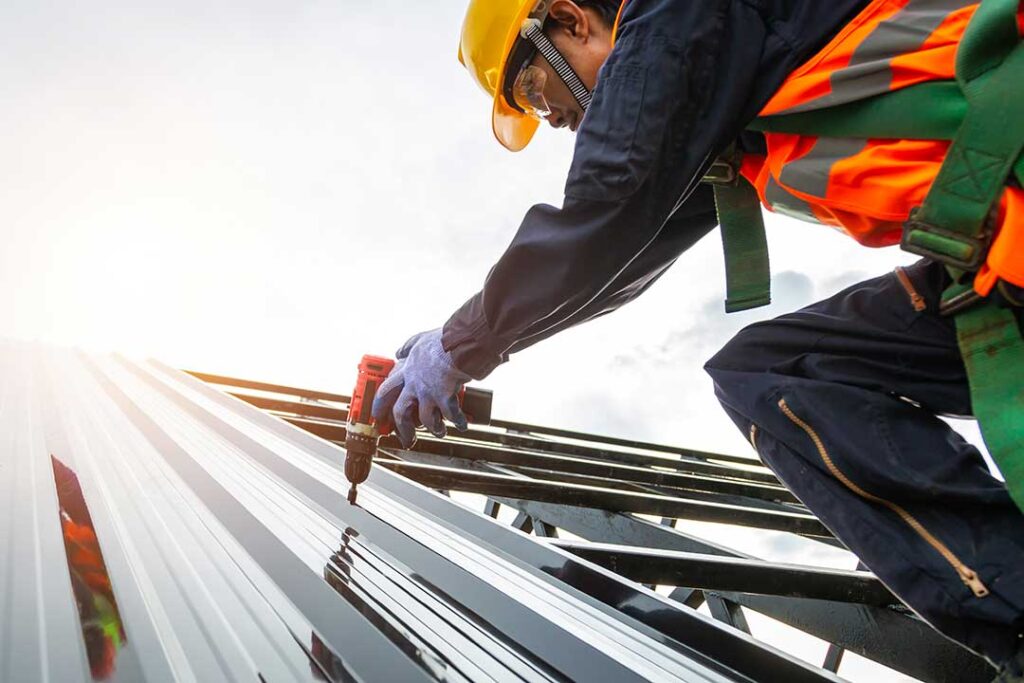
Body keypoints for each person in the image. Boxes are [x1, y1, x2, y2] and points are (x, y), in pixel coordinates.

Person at [371, 0, 1024, 675]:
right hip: (1005, 254)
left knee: (775, 370)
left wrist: (459, 345)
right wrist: (468, 343)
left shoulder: (677, 13)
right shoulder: (718, 84)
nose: (558, 119)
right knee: (774, 373)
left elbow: (610, 198)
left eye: (538, 92)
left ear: (569, 18)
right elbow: (621, 254)